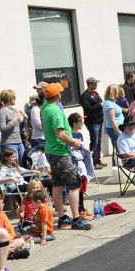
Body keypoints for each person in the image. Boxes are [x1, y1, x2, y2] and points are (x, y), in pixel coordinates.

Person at [41, 83, 83, 228]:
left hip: (51, 150)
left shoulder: (45, 107)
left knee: (57, 185)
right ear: (58, 95)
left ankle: (63, 217)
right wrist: (73, 142)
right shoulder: (55, 110)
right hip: (60, 152)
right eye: (60, 92)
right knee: (74, 185)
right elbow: (59, 133)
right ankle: (76, 219)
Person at [0, 89, 27, 168]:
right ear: (9, 98)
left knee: (22, 166)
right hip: (9, 143)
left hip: (19, 142)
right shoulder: (2, 112)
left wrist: (25, 119)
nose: (15, 99)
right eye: (14, 97)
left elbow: (19, 128)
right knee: (13, 167)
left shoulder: (14, 110)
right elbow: (3, 129)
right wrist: (15, 119)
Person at [80, 77, 105, 167]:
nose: (96, 85)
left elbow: (101, 102)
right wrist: (100, 105)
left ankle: (97, 160)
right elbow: (88, 109)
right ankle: (93, 162)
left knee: (98, 142)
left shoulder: (96, 93)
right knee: (94, 142)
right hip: (92, 121)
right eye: (94, 83)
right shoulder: (85, 95)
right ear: (90, 84)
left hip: (99, 120)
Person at [102, 84, 126, 152]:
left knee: (120, 149)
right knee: (118, 150)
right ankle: (117, 163)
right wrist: (119, 131)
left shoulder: (112, 102)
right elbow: (112, 120)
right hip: (114, 129)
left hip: (118, 127)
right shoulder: (109, 103)